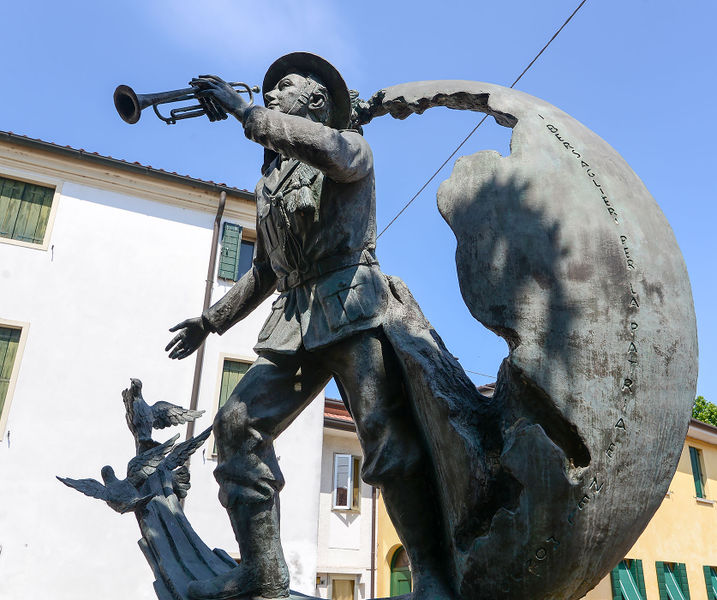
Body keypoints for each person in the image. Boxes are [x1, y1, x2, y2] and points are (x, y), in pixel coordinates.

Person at [165, 53, 457, 600]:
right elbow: (266, 271)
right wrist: (210, 321)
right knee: (235, 424)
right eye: (268, 91)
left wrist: (246, 113)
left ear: (317, 101)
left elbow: (324, 151)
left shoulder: (348, 146)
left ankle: (433, 579)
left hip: (351, 309)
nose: (272, 93)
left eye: (285, 86)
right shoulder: (268, 185)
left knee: (384, 438)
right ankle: (262, 573)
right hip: (294, 322)